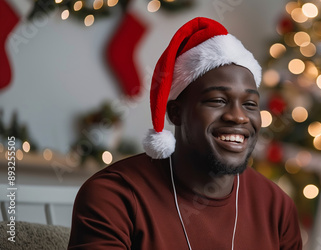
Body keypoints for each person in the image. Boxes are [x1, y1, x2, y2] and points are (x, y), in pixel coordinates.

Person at [68, 17, 303, 249]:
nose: (239, 117)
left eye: (250, 104)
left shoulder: (277, 207)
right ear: (176, 113)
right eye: (218, 100)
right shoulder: (114, 196)